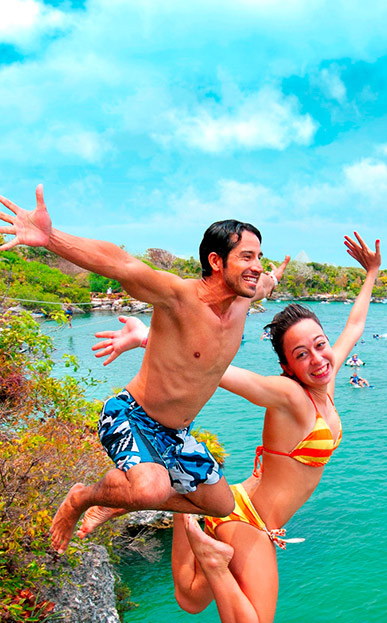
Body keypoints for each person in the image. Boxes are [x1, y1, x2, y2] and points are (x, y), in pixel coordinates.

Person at [90, 232, 381, 623]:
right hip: (251, 520)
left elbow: (354, 325)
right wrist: (148, 338)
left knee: (190, 597)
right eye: (301, 354)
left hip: (239, 499)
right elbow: (217, 369)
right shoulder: (289, 395)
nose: (318, 358)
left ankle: (177, 503)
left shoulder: (328, 376)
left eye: (320, 345)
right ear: (287, 366)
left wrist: (371, 273)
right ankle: (208, 552)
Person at [0, 184, 289, 554]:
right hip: (131, 415)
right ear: (217, 261)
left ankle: (121, 500)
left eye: (259, 256)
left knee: (221, 504)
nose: (257, 266)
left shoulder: (246, 297)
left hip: (176, 434)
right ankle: (83, 497)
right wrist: (51, 238)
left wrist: (275, 275)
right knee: (151, 489)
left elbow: (266, 284)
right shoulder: (178, 297)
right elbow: (121, 263)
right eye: (247, 257)